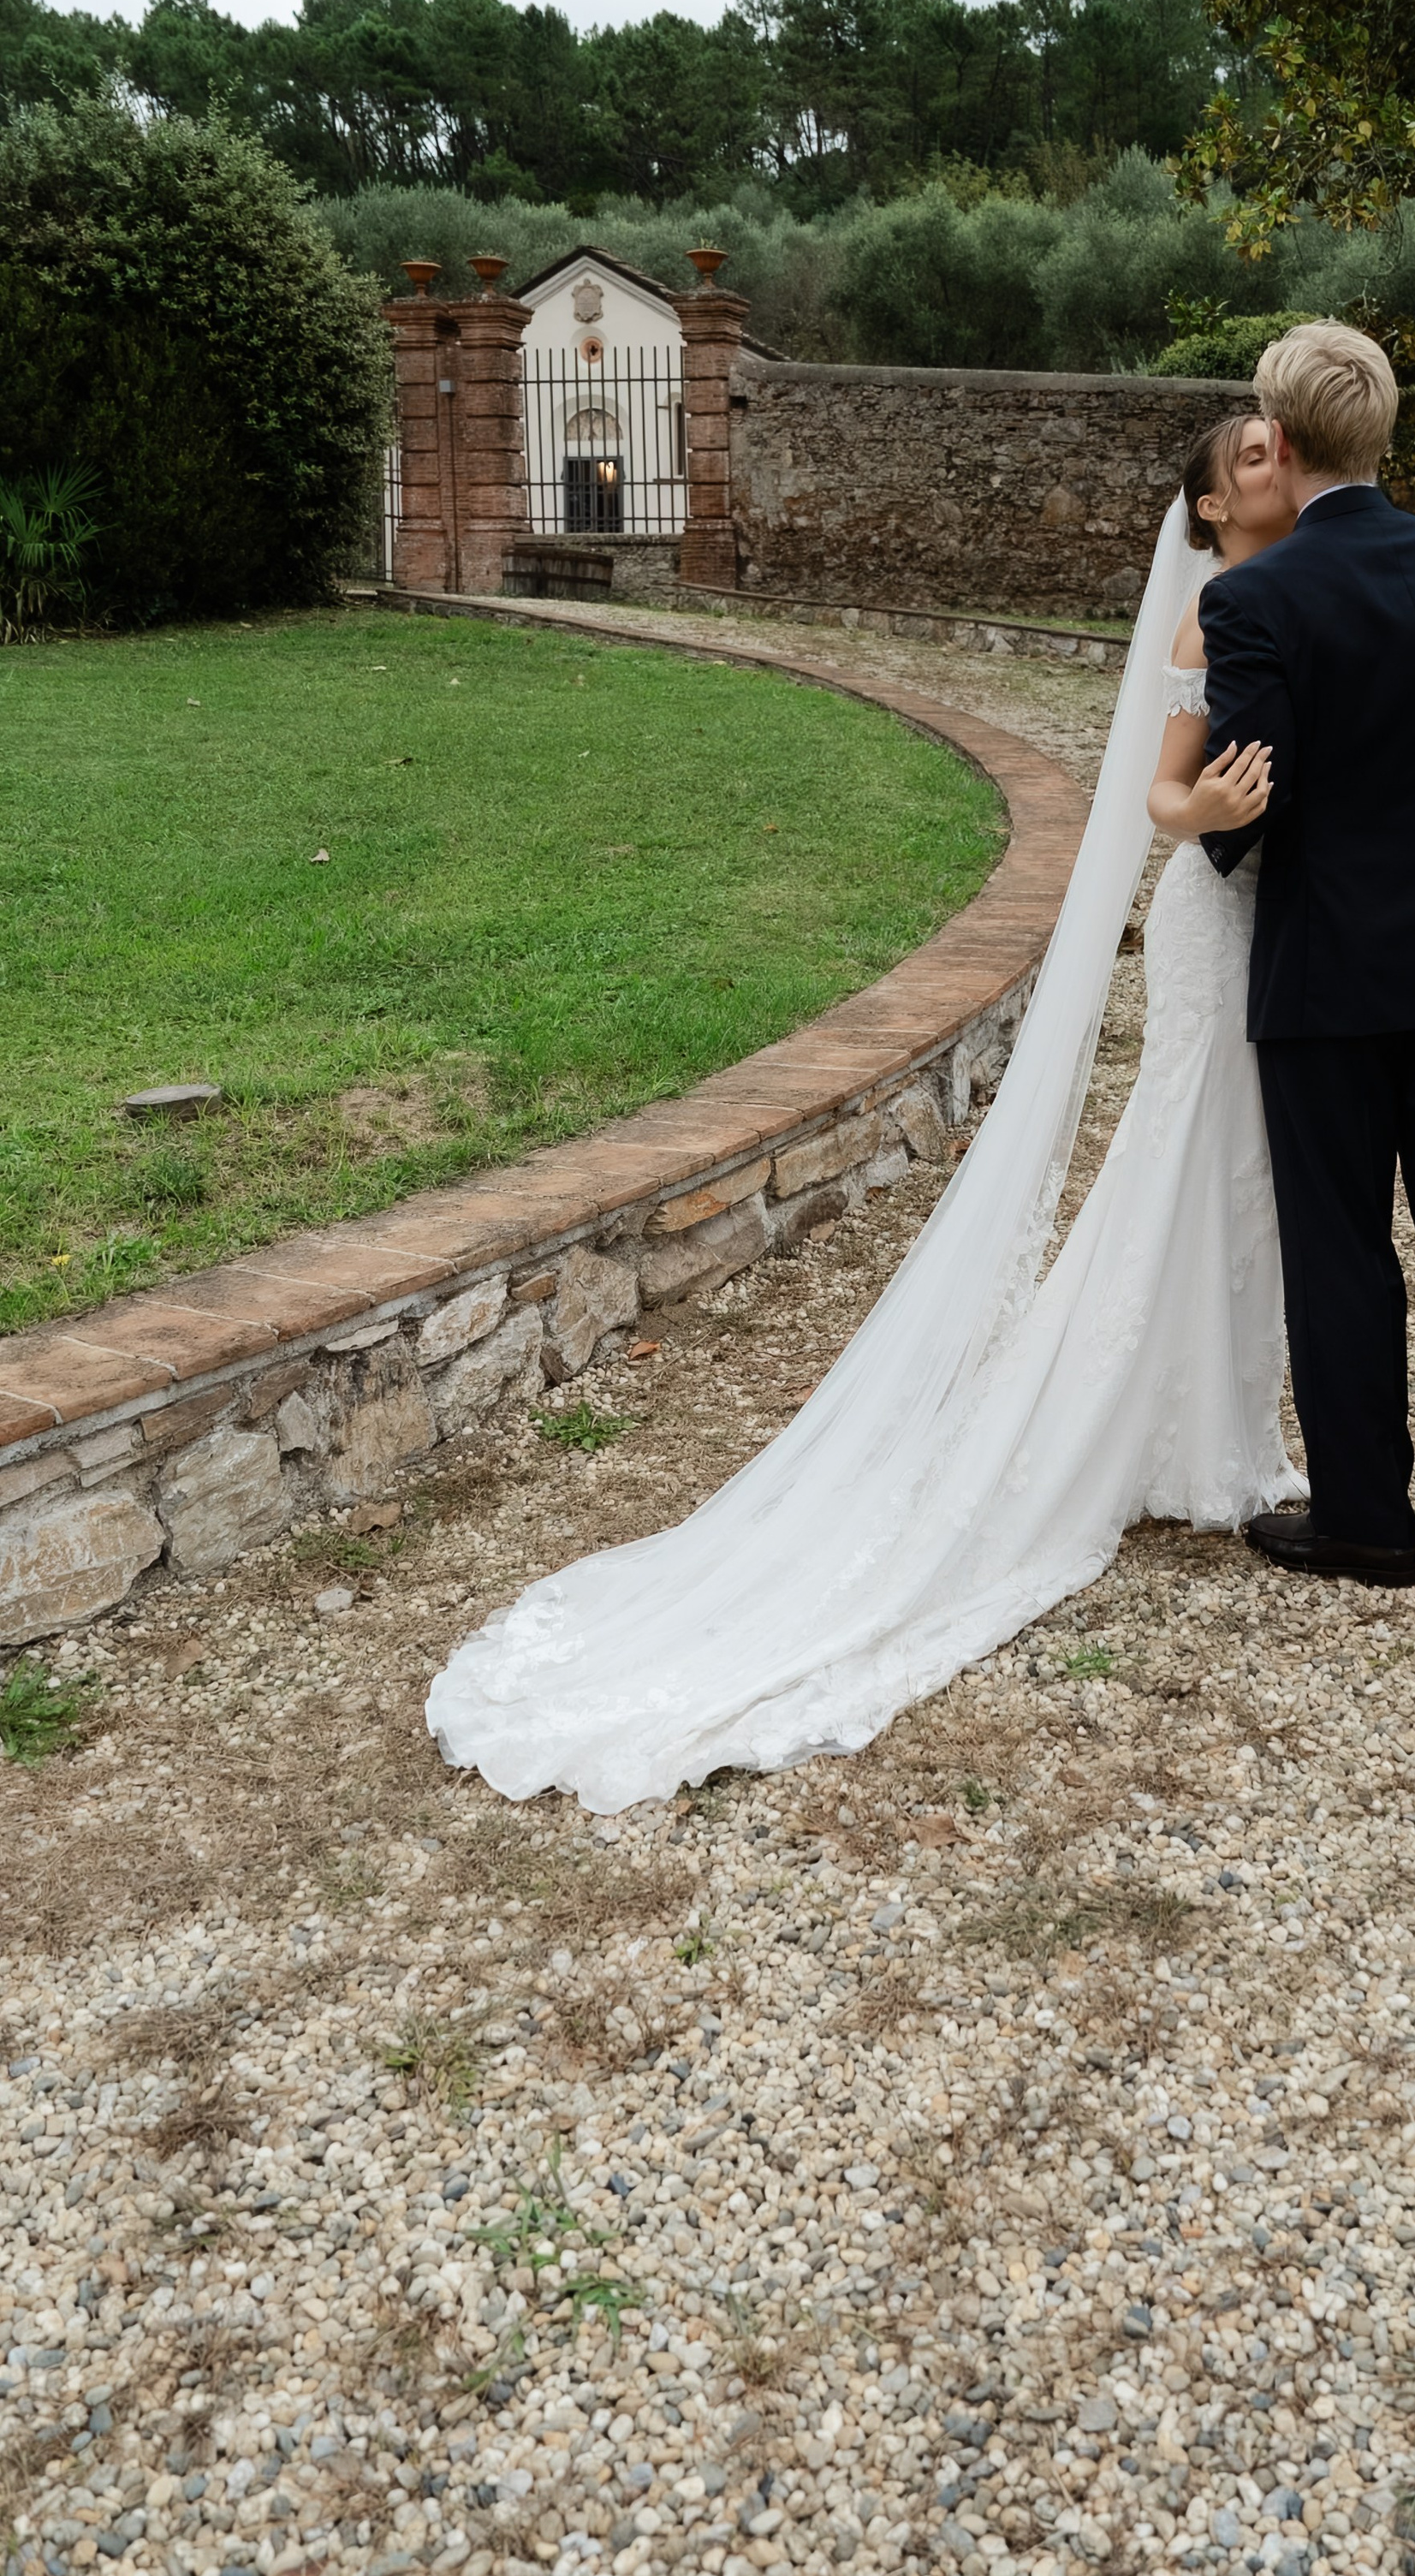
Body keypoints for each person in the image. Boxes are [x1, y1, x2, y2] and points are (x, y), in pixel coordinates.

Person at [426, 413, 1307, 1812]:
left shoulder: (1314, 579)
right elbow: (1153, 794)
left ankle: (1216, 1429)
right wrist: (1204, 806)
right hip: (1219, 905)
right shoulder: (1210, 605)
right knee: (1190, 1143)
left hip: (1294, 922)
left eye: (1278, 446)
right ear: (1204, 511)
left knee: (1247, 1164)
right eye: (1245, 456)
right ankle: (1155, 1430)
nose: (1271, 461)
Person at [1197, 321, 1415, 1604]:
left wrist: (1218, 854)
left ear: (1280, 445)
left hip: (1327, 980)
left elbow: (1250, 800)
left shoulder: (1252, 600)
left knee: (1343, 1248)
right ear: (1383, 435)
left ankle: (1368, 1522)